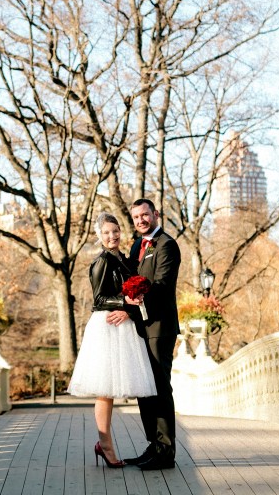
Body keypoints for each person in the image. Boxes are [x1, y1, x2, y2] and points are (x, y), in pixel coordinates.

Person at [68, 212, 157, 468]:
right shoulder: (102, 262)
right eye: (106, 232)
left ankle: (105, 444)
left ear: (121, 232)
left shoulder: (126, 260)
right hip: (107, 327)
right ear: (99, 236)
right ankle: (105, 445)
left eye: (115, 231)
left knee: (116, 389)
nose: (112, 236)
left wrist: (130, 304)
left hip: (124, 324)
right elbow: (97, 301)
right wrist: (125, 301)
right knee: (106, 391)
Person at [123, 198, 181, 471]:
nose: (141, 220)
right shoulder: (136, 245)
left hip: (159, 327)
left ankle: (166, 451)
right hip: (139, 328)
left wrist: (137, 296)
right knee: (144, 389)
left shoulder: (167, 245)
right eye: (136, 217)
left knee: (159, 387)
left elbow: (162, 284)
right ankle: (153, 445)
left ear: (155, 214)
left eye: (145, 215)